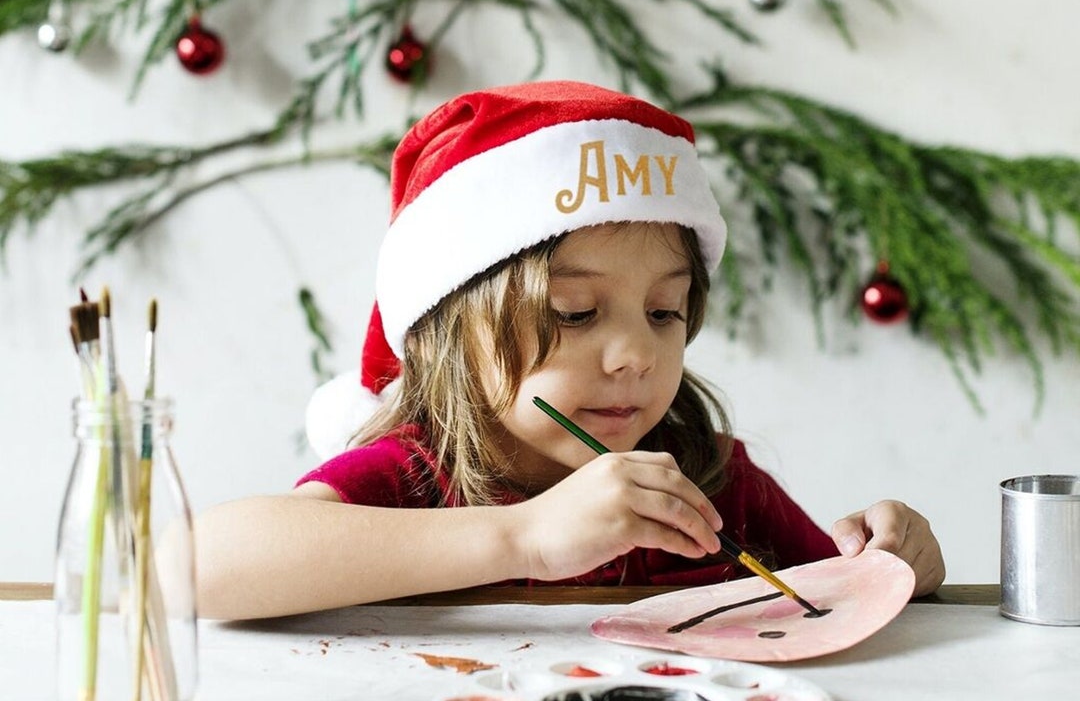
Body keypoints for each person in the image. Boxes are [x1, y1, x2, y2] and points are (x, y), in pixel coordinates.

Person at [195, 81, 945, 620]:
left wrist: (893, 562)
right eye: (575, 313)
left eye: (664, 312)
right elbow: (195, 567)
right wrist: (525, 537)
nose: (635, 355)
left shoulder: (712, 477)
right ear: (451, 333)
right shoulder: (412, 477)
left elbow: (841, 601)